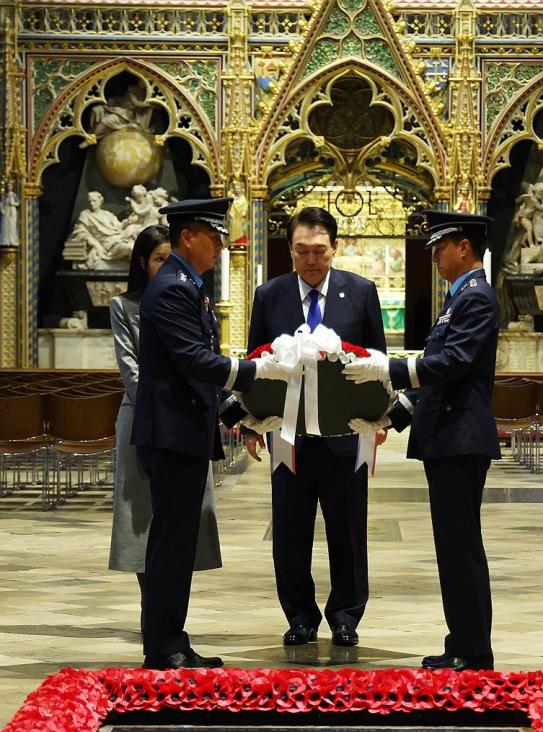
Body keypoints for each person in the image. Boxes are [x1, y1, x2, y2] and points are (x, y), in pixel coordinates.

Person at [131, 198, 289, 670]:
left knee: (178, 543)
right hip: (172, 433)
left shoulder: (187, 285)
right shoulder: (174, 288)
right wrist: (257, 371)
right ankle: (163, 646)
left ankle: (170, 640)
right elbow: (195, 361)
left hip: (181, 429)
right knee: (171, 544)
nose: (222, 245)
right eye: (214, 236)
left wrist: (236, 412)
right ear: (187, 237)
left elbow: (198, 370)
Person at [344, 210, 500, 672]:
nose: (434, 256)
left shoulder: (476, 298)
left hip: (461, 438)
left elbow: (450, 364)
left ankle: (474, 650)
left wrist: (386, 368)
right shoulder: (457, 299)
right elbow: (433, 380)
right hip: (447, 437)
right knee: (451, 546)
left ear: (464, 247)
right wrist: (389, 417)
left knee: (461, 546)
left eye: (439, 247)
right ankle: (462, 641)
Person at [244, 206, 387, 648]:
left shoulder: (360, 292)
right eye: (302, 251)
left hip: (346, 435)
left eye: (320, 251)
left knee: (347, 531)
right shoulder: (270, 295)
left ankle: (346, 615)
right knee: (290, 531)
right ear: (289, 250)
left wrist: (379, 420)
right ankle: (300, 616)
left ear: (334, 248)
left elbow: (377, 362)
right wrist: (250, 426)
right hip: (289, 437)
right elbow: (254, 367)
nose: (311, 260)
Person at [108, 225, 222, 603]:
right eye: (158, 259)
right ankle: (156, 615)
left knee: (181, 523)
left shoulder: (195, 297)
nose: (165, 265)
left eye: (167, 257)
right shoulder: (124, 306)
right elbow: (134, 374)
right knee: (143, 520)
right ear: (143, 263)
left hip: (183, 422)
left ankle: (167, 617)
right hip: (148, 420)